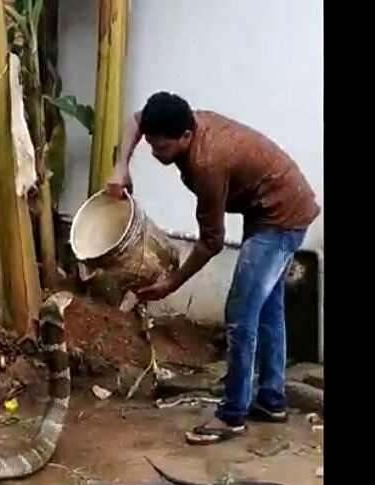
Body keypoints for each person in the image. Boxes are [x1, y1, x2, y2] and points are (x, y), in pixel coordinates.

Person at [107, 92, 319, 445]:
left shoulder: (208, 163)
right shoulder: (180, 121)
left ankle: (232, 415)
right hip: (266, 207)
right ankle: (271, 400)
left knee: (240, 313)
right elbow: (135, 120)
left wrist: (171, 283)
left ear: (186, 138)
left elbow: (211, 242)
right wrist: (121, 165)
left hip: (282, 217)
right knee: (267, 307)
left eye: (162, 148)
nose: (156, 154)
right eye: (152, 145)